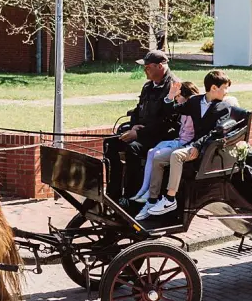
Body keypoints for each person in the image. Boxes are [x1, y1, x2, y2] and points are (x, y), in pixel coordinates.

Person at [138, 70, 240, 219]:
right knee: (158, 158)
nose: (226, 91)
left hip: (205, 148)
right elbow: (171, 111)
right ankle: (152, 200)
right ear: (213, 88)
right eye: (224, 87)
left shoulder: (223, 107)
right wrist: (170, 96)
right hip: (191, 145)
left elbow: (214, 133)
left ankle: (170, 199)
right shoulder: (195, 101)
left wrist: (196, 146)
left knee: (176, 155)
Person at [103, 50, 180, 201]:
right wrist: (133, 127)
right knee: (110, 143)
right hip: (141, 133)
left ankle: (130, 196)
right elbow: (138, 110)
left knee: (133, 148)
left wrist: (139, 134)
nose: (145, 70)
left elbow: (167, 121)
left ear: (160, 66)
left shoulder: (173, 87)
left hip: (161, 137)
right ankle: (113, 191)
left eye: (148, 67)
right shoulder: (148, 87)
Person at [129, 81, 201, 203]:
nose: (177, 100)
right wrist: (170, 96)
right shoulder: (183, 109)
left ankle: (151, 193)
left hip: (185, 145)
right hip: (178, 141)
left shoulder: (194, 109)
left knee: (157, 155)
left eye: (179, 97)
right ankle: (143, 189)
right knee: (151, 151)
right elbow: (169, 110)